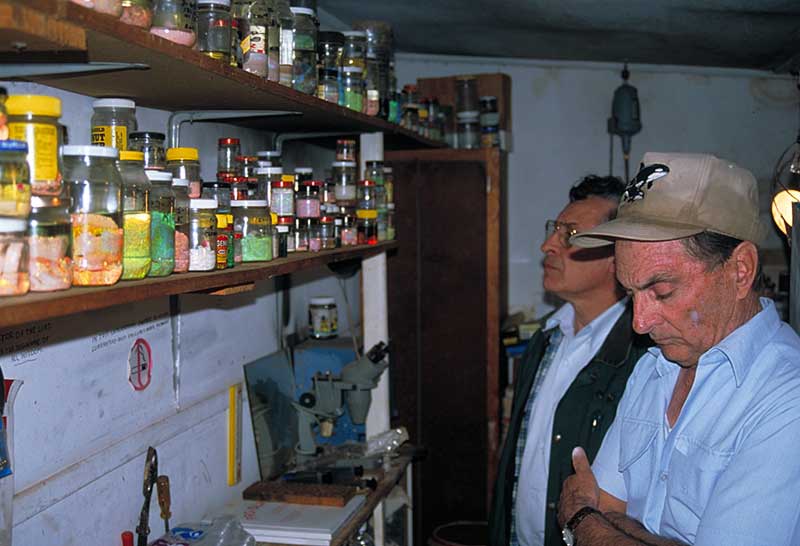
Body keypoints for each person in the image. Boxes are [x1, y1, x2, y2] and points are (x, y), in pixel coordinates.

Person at [558, 152, 800, 546]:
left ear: (740, 271)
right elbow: (608, 505)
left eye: (662, 290)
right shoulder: (653, 368)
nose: (640, 323)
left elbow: (593, 508)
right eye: (630, 292)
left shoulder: (787, 397)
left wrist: (582, 519)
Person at [488, 175, 651, 546]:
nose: (548, 245)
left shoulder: (642, 356)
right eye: (554, 230)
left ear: (617, 255)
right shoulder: (547, 336)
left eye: (570, 234)